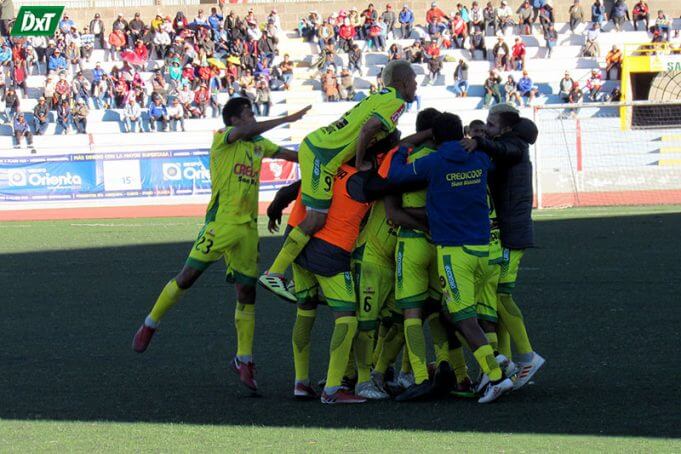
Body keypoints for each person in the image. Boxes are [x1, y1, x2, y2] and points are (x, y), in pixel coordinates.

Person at [132, 99, 309, 394]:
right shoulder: (222, 139)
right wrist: (288, 117)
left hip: (248, 229)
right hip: (220, 225)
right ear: (236, 120)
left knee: (247, 292)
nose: (253, 118)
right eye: (249, 114)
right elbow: (247, 130)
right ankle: (151, 323)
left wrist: (324, 155)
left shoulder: (259, 144)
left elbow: (294, 156)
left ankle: (244, 359)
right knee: (187, 277)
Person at [258, 60, 417, 302]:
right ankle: (275, 272)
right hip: (323, 156)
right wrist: (362, 161)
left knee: (316, 215)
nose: (415, 87)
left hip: (320, 149)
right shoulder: (397, 103)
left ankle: (285, 273)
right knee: (316, 218)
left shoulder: (379, 96)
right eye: (414, 81)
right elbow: (367, 130)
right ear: (404, 82)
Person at [388, 112, 515, 404]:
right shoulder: (480, 158)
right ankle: (495, 361)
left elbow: (396, 176)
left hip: (453, 252)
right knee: (453, 312)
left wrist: (404, 148)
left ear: (434, 138)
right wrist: (477, 141)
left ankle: (495, 378)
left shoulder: (433, 161)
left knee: (463, 319)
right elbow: (497, 158)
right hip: (484, 250)